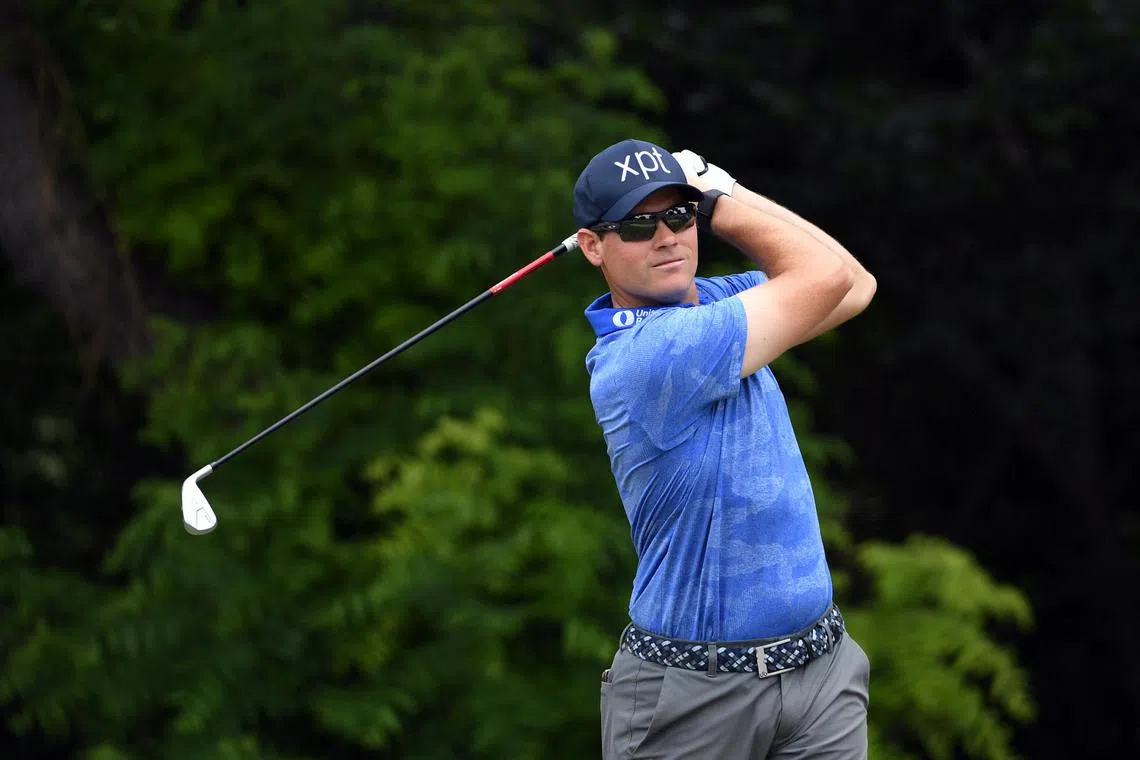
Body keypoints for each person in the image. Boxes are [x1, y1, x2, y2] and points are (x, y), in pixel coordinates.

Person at [574, 138, 877, 760]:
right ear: (592, 245)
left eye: (679, 216)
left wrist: (723, 191)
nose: (666, 238)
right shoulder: (646, 357)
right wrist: (722, 200)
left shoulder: (713, 303)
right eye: (637, 224)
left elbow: (854, 284)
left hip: (820, 671)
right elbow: (827, 276)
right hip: (694, 698)